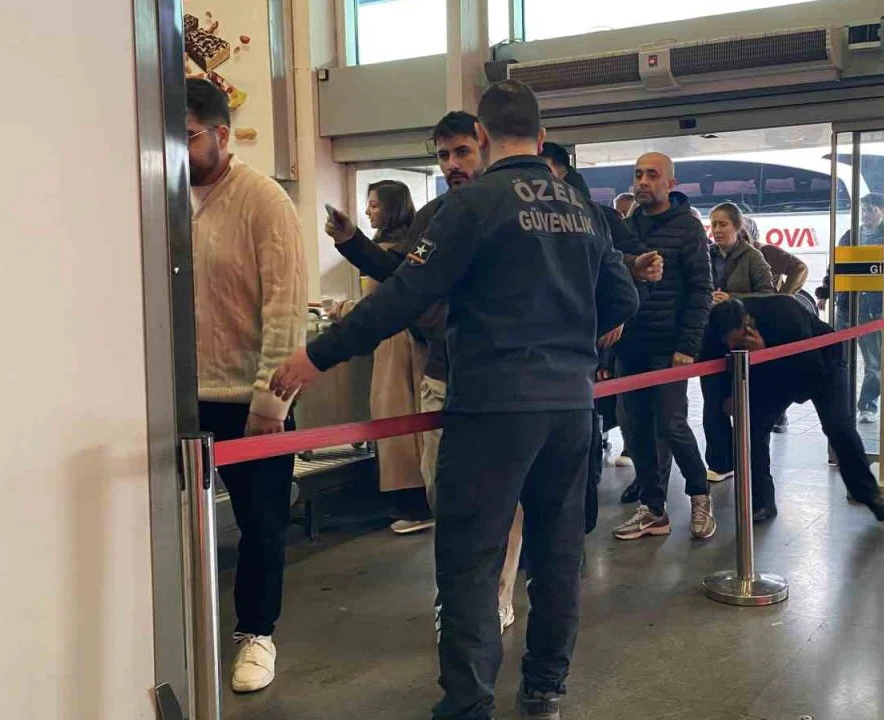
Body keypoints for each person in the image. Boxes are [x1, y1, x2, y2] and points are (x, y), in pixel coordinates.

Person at [271, 80, 640, 720]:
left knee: (470, 561)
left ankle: (468, 705)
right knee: (557, 556)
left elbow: (402, 296)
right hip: (570, 409)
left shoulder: (474, 205)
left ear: (485, 137)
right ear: (542, 137)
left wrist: (318, 355)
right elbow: (624, 298)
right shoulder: (582, 209)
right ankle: (545, 690)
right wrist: (573, 338)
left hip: (492, 407)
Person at [331, 111, 527, 629]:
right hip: (442, 370)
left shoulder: (510, 210)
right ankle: (459, 589)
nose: (453, 164)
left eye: (462, 152)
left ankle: (498, 592)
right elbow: (402, 279)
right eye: (443, 155)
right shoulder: (435, 215)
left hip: (504, 381)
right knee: (443, 491)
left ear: (485, 147)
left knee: (503, 495)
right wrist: (353, 243)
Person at [186, 77, 307, 693]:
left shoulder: (264, 201)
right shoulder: (158, 197)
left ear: (222, 134)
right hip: (179, 398)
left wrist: (271, 399)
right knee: (173, 521)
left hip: (250, 399)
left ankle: (257, 633)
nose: (176, 150)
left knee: (261, 525)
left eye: (187, 137)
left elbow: (286, 306)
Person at [538, 140, 664, 533]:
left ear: (563, 172)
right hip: (545, 355)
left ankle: (585, 520)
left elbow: (640, 278)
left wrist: (616, 316)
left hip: (589, 351)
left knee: (589, 436)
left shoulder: (597, 216)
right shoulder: (524, 219)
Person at [703, 295, 884, 522]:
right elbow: (712, 371)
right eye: (727, 342)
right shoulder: (715, 331)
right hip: (771, 372)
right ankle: (762, 502)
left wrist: (765, 351)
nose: (731, 346)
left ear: (747, 323)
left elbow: (809, 368)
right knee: (752, 429)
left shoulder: (785, 313)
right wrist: (728, 396)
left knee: (838, 426)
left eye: (736, 341)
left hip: (823, 366)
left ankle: (870, 495)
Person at [611, 151, 716, 542]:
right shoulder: (626, 226)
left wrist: (688, 345)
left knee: (671, 424)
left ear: (671, 184)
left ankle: (700, 495)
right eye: (638, 174)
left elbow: (701, 290)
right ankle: (653, 509)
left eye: (652, 175)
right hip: (631, 346)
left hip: (670, 347)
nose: (642, 181)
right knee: (635, 427)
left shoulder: (688, 228)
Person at [325, 180, 432, 533]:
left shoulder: (387, 251)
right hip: (411, 344)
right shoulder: (412, 244)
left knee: (398, 421)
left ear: (391, 208)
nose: (368, 211)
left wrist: (340, 309)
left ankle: (413, 505)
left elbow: (376, 305)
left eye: (374, 205)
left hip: (394, 346)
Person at [703, 201, 775, 479]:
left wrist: (732, 299)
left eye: (723, 224)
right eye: (713, 225)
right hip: (712, 338)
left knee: (743, 403)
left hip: (743, 341)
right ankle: (720, 463)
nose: (717, 230)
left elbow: (768, 295)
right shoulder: (706, 255)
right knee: (712, 401)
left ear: (737, 226)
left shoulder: (753, 257)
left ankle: (749, 462)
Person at [837, 194, 884, 424]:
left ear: (882, 211)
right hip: (847, 305)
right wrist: (827, 292)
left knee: (874, 362)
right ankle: (842, 403)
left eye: (871, 210)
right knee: (839, 358)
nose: (866, 215)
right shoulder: (850, 236)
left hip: (874, 308)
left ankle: (867, 404)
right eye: (864, 210)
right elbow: (836, 266)